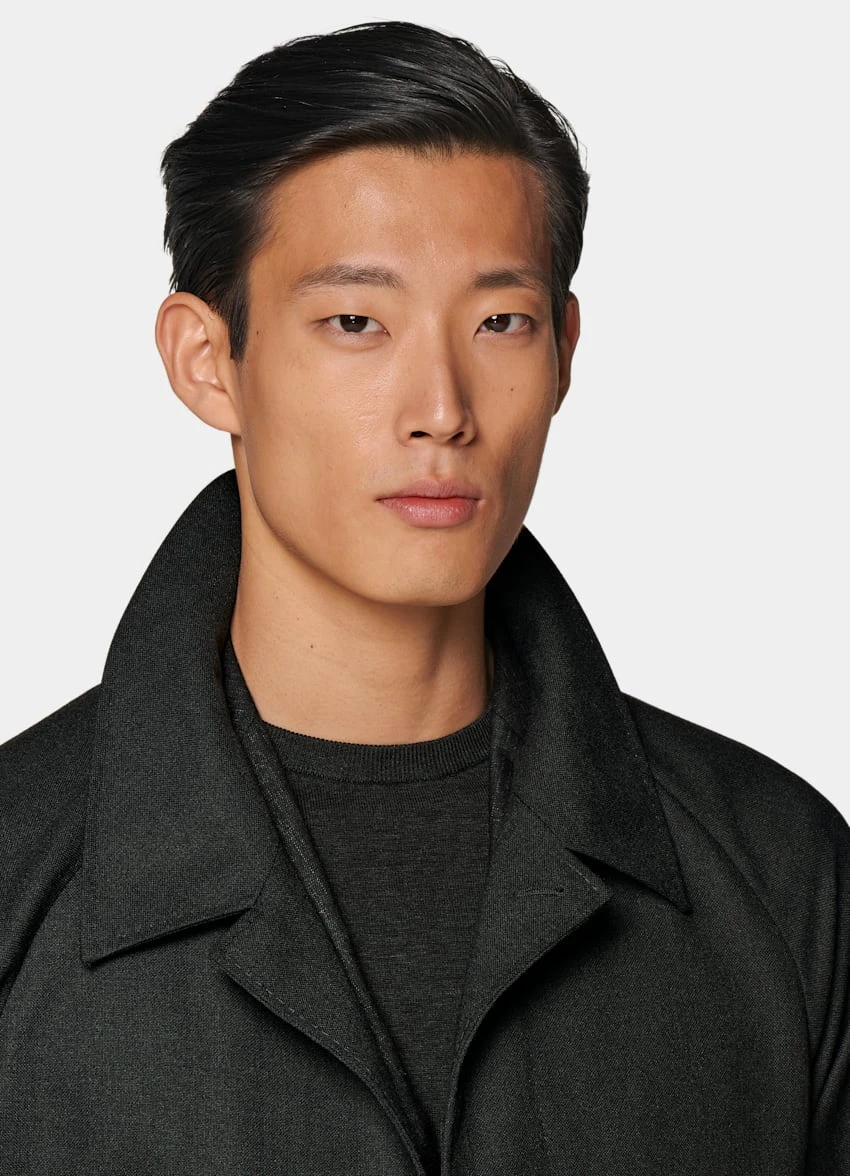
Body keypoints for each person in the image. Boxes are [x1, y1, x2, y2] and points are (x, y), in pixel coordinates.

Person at [0, 19, 846, 1175]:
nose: (442, 409)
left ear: (564, 352)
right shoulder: (19, 877)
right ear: (208, 361)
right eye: (356, 323)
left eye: (501, 323)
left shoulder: (780, 876)